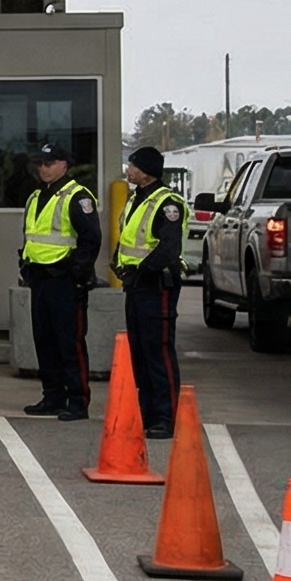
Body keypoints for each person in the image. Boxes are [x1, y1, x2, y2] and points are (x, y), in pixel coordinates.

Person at [17, 143, 102, 421]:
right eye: (40, 164)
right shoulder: (36, 196)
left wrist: (76, 274)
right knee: (45, 341)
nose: (43, 168)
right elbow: (31, 236)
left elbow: (90, 240)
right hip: (40, 279)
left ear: (64, 165)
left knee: (70, 343)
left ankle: (77, 401)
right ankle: (52, 397)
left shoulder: (77, 196)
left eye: (49, 163)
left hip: (65, 281)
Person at [117, 145, 188, 439]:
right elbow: (128, 238)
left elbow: (168, 248)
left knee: (158, 351)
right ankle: (147, 413)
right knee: (141, 351)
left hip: (156, 284)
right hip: (135, 284)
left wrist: (142, 270)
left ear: (147, 171)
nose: (129, 170)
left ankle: (166, 416)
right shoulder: (136, 199)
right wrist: (120, 264)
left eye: (133, 165)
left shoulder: (167, 204)